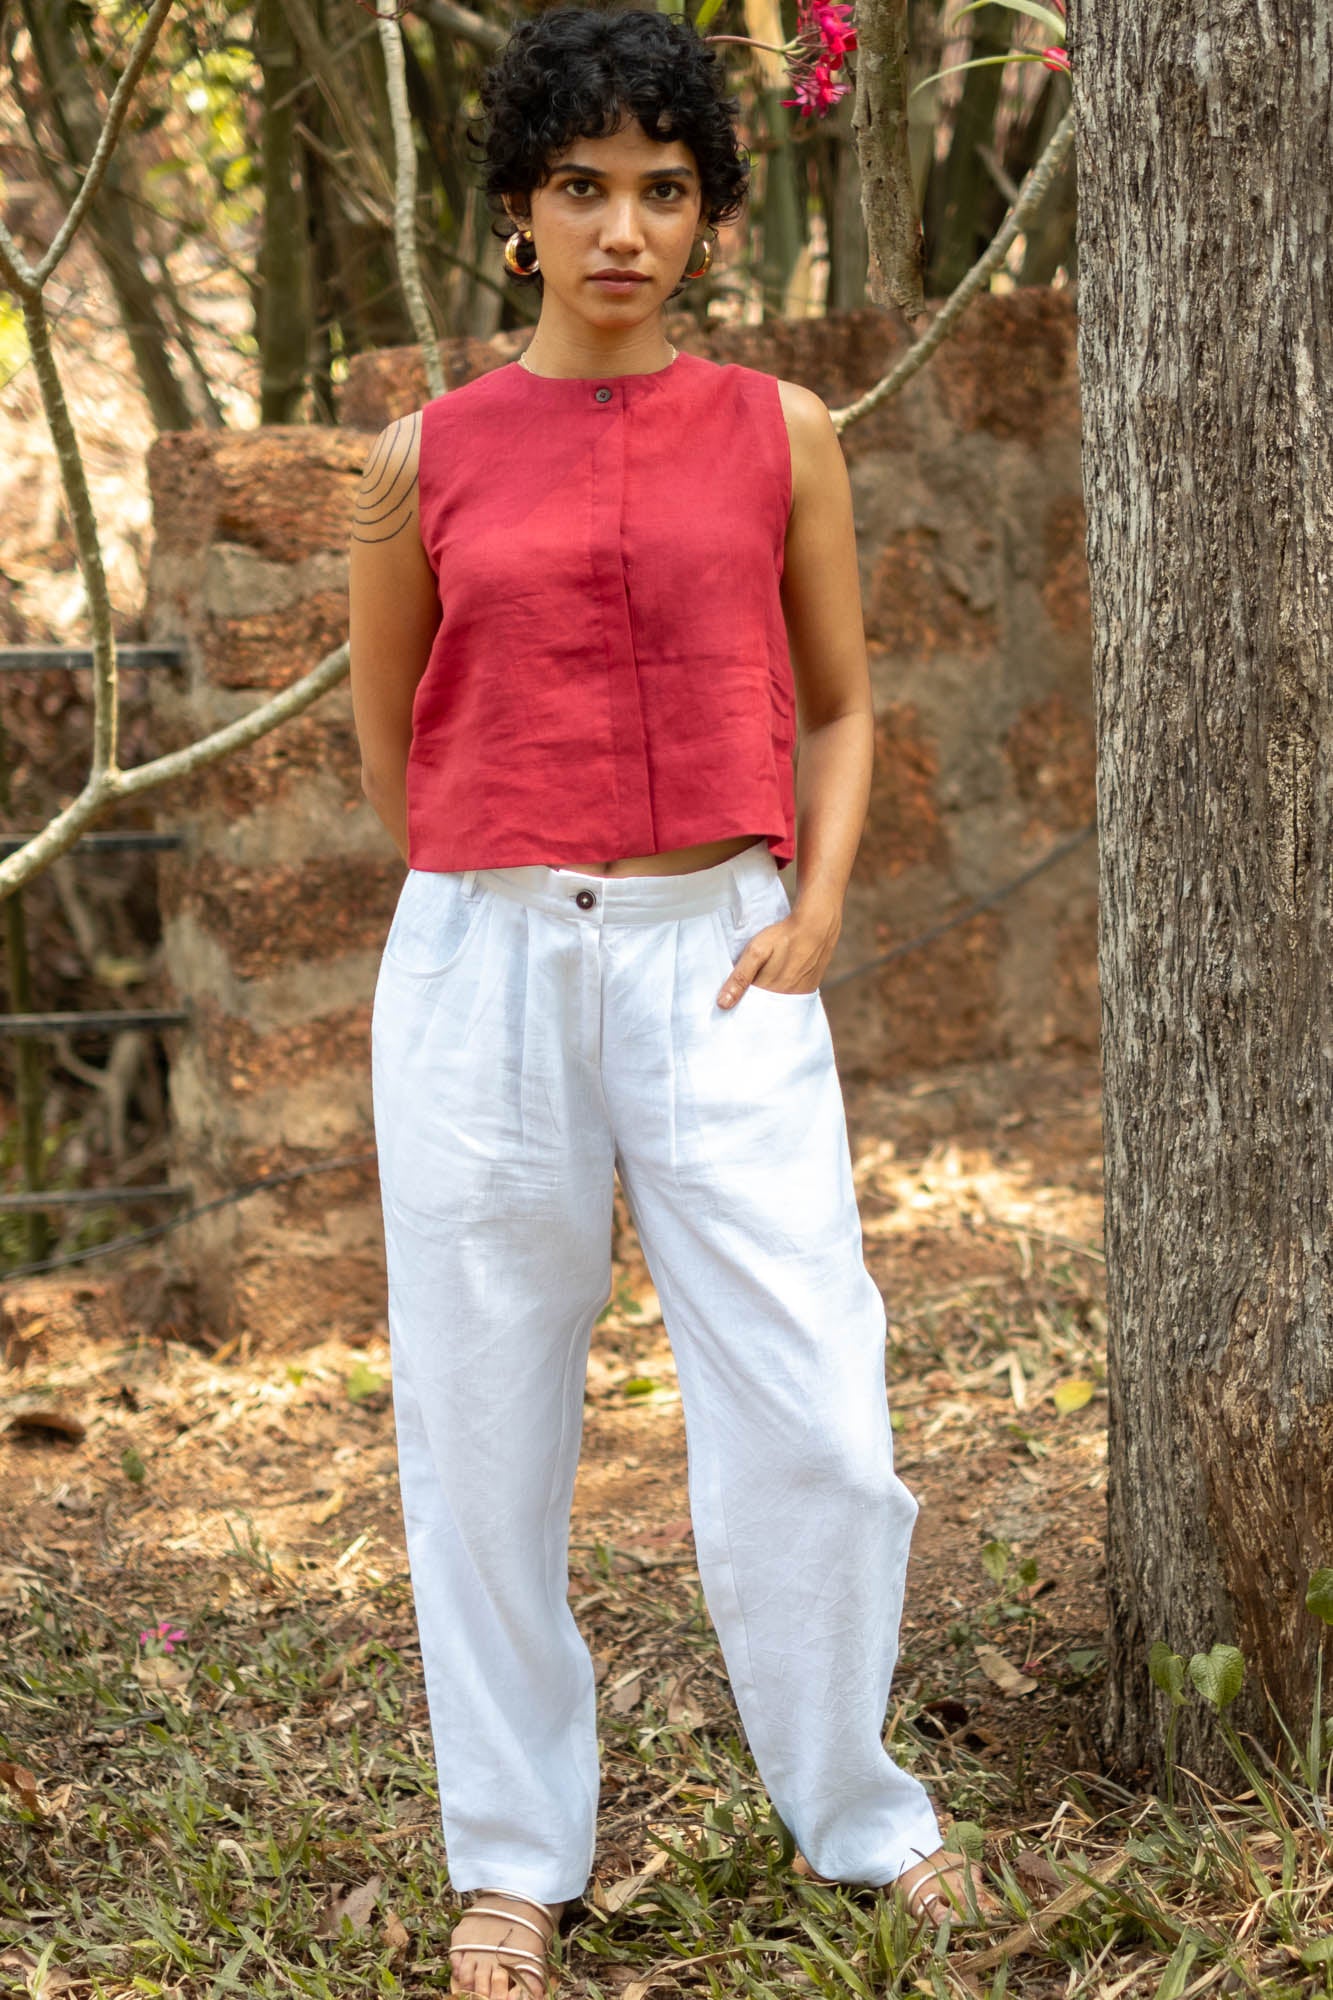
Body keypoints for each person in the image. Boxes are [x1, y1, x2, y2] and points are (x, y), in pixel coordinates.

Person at [347, 7, 998, 1994]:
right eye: (580, 188)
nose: (620, 228)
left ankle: (858, 1813)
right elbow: (393, 744)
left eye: (661, 189)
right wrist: (492, 904)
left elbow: (841, 701)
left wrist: (813, 904)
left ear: (710, 214)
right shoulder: (422, 455)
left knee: (816, 1409)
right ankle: (510, 1860)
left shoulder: (778, 430)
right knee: (481, 1421)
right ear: (520, 212)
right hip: (482, 964)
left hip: (723, 953)